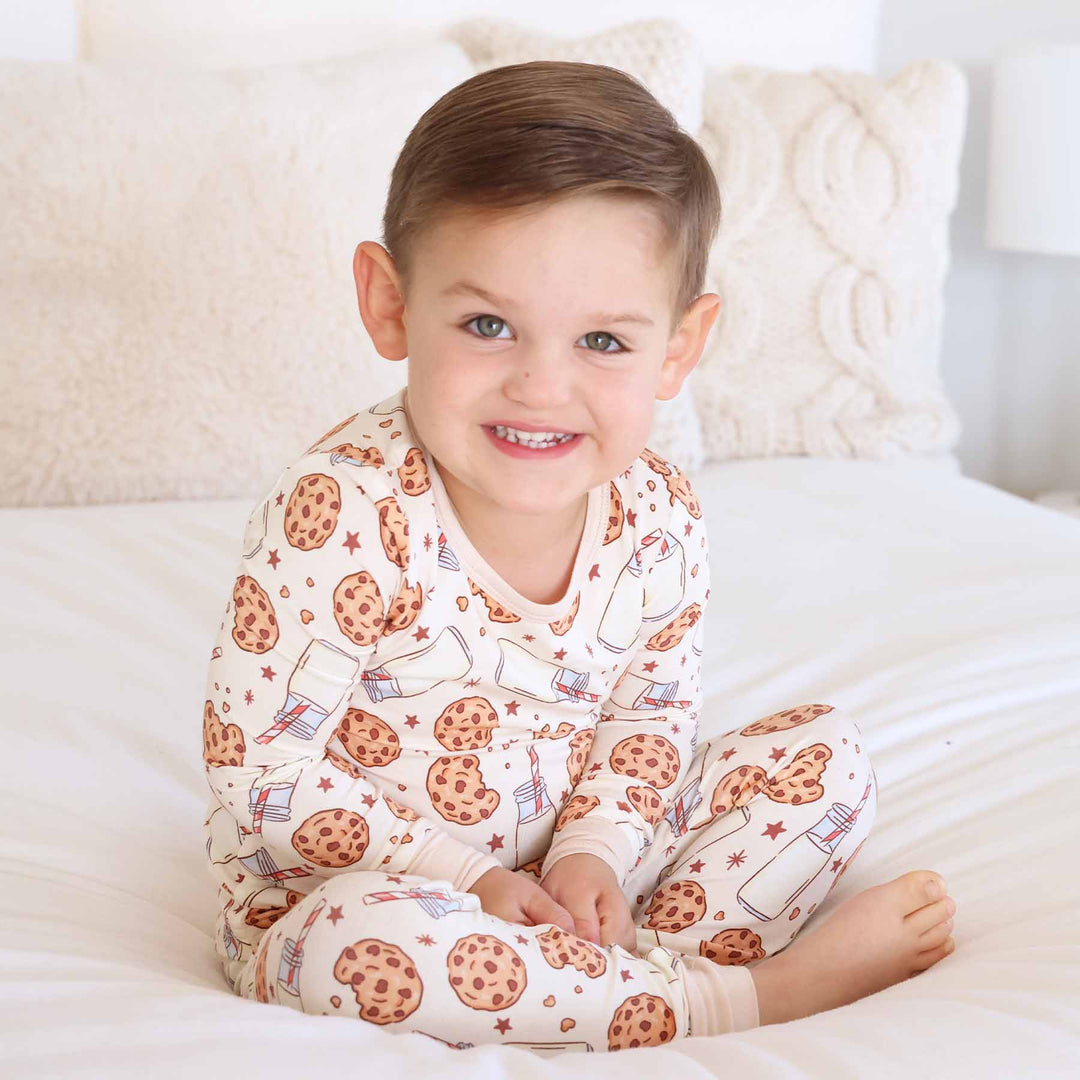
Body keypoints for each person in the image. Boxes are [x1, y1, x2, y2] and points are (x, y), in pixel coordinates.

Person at [201, 59, 957, 1053]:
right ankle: (736, 1002)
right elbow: (259, 768)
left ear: (680, 349)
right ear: (390, 305)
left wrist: (595, 856)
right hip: (379, 892)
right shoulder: (340, 514)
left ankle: (613, 976)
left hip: (574, 878)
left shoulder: (659, 518)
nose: (541, 386)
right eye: (487, 325)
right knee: (361, 949)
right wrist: (473, 881)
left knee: (823, 763)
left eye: (603, 341)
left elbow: (649, 717)